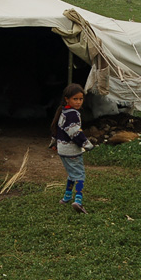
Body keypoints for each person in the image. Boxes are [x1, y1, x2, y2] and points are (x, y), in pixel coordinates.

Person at [49, 83, 94, 214]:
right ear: (67, 99)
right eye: (75, 99)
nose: (79, 102)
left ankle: (66, 198)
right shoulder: (73, 114)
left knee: (71, 174)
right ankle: (78, 201)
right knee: (80, 175)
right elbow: (74, 132)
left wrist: (54, 143)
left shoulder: (63, 111)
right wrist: (86, 144)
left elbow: (58, 129)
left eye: (81, 99)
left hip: (63, 150)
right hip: (72, 151)